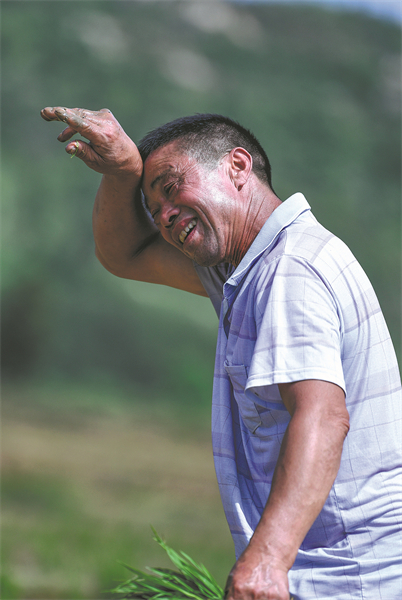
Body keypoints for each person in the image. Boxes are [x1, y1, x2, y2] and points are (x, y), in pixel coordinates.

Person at [40, 106, 402, 600]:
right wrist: (121, 171)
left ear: (237, 167)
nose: (164, 216)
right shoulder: (246, 269)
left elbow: (322, 416)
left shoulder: (289, 270)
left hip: (345, 581)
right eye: (155, 211)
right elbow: (124, 254)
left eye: (171, 188)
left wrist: (269, 559)